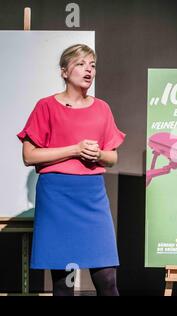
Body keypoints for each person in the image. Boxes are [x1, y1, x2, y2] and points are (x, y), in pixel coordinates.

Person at [17, 44, 125, 296]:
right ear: (64, 72)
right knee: (64, 282)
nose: (89, 70)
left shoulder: (102, 108)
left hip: (91, 195)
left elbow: (112, 157)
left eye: (92, 65)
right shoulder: (46, 106)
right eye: (80, 64)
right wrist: (74, 150)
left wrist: (97, 154)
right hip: (57, 196)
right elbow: (29, 156)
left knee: (107, 278)